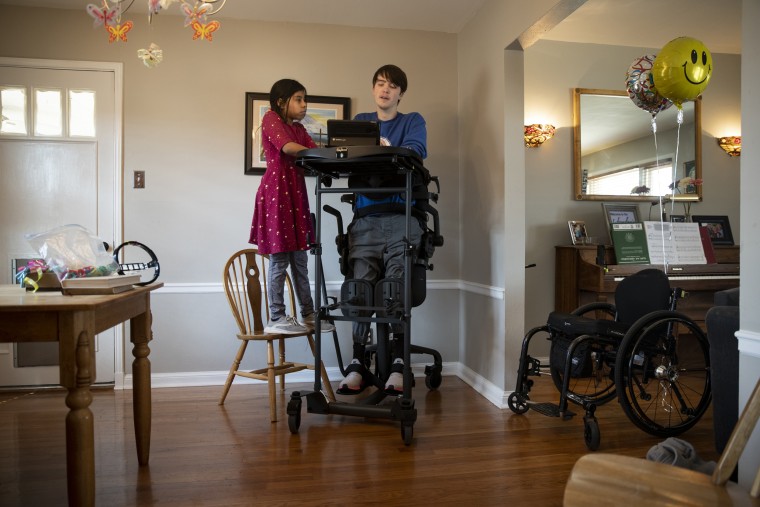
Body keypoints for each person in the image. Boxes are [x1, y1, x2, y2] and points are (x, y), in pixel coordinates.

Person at [337, 64, 427, 395]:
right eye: (379, 84)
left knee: (394, 288)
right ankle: (359, 361)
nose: (384, 90)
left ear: (400, 93)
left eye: (391, 85)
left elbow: (416, 153)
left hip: (402, 217)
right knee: (360, 287)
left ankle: (399, 363)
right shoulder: (360, 122)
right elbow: (346, 157)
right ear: (373, 89)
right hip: (365, 220)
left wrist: (386, 149)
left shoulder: (412, 121)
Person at [249, 78, 334, 335]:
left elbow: (312, 150)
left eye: (304, 99)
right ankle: (276, 316)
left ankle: (308, 313)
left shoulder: (297, 129)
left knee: (300, 258)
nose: (304, 104)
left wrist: (332, 155)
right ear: (281, 102)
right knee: (279, 258)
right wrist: (323, 154)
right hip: (277, 193)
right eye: (299, 99)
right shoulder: (271, 119)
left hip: (295, 195)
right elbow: (288, 148)